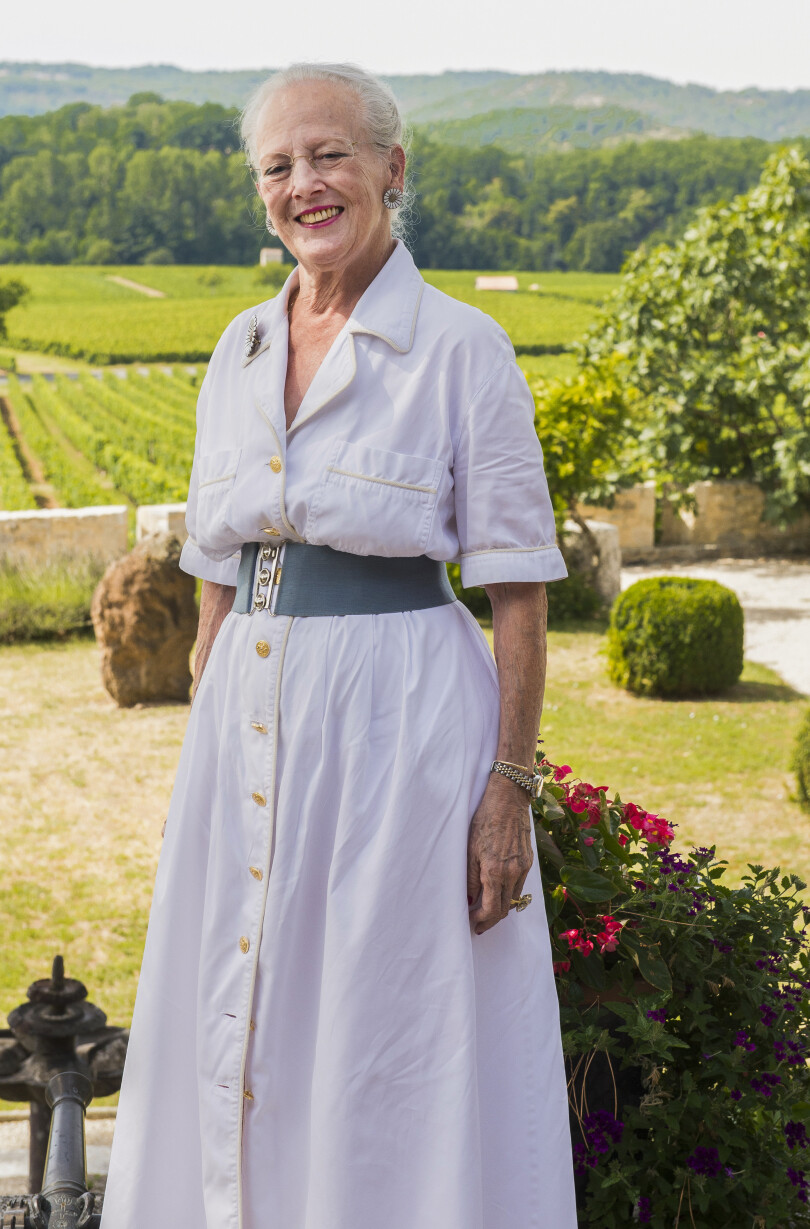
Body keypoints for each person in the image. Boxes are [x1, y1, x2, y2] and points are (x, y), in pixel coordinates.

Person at [101, 62, 577, 1229]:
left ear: (391, 169)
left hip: (400, 735)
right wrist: (203, 742)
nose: (303, 185)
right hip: (249, 734)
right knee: (240, 1007)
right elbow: (219, 568)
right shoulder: (240, 350)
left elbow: (517, 591)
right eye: (278, 166)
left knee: (381, 1026)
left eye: (329, 156)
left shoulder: (466, 348)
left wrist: (507, 790)